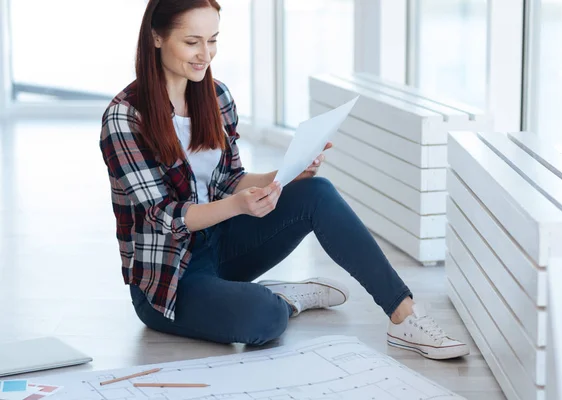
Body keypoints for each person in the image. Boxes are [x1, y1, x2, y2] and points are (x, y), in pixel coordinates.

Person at [100, 0, 469, 360]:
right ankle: (284, 298)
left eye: (212, 39)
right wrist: (237, 206)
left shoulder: (216, 96)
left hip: (222, 243)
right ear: (157, 37)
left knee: (316, 192)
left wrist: (289, 175)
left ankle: (404, 316)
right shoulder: (124, 118)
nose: (205, 54)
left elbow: (231, 178)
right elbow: (163, 215)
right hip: (168, 280)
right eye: (192, 42)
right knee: (264, 318)